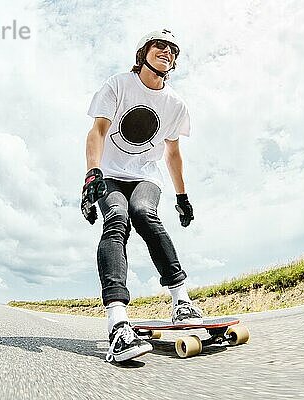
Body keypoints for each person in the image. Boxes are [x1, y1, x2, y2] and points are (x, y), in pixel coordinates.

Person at [82, 29, 203, 363]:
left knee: (143, 212)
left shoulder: (175, 105)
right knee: (117, 219)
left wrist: (182, 196)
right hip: (110, 175)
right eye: (159, 45)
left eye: (173, 50)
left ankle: (182, 301)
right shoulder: (118, 85)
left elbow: (173, 153)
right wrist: (91, 175)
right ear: (143, 53)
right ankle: (118, 324)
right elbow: (98, 132)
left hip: (146, 177)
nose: (167, 52)